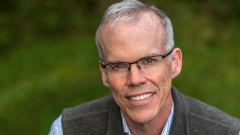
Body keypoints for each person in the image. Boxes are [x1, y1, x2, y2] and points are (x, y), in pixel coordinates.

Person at [48, 0, 240, 135]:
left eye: (149, 61)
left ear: (175, 62)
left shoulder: (227, 132)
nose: (135, 79)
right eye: (119, 66)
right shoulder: (67, 130)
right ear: (104, 74)